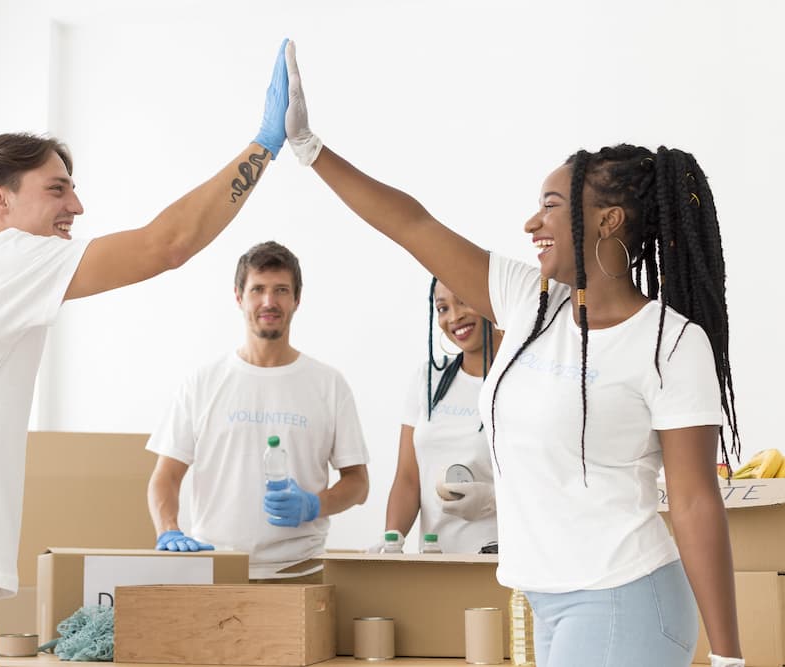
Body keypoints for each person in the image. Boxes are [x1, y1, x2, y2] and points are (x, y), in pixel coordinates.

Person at [0, 39, 292, 667]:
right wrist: (264, 146)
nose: (78, 206)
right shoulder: (7, 261)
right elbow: (167, 245)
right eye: (57, 189)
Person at [280, 41, 744, 667]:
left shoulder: (670, 343)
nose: (531, 223)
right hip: (545, 600)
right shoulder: (531, 302)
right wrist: (310, 149)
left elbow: (693, 502)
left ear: (608, 222)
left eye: (552, 206)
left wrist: (729, 657)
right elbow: (412, 225)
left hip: (625, 596)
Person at [146, 240, 370, 582]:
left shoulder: (328, 384)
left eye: (281, 290)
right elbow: (165, 477)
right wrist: (168, 530)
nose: (269, 301)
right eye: (258, 290)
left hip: (302, 570)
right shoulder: (202, 383)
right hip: (217, 570)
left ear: (297, 299)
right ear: (239, 297)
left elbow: (358, 483)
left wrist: (314, 504)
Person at [372, 279, 502, 555]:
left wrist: (494, 500)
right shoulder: (429, 379)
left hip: (503, 560)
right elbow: (408, 478)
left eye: (464, 300)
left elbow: (550, 482)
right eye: (442, 308)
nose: (454, 317)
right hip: (436, 560)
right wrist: (392, 540)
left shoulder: (523, 380)